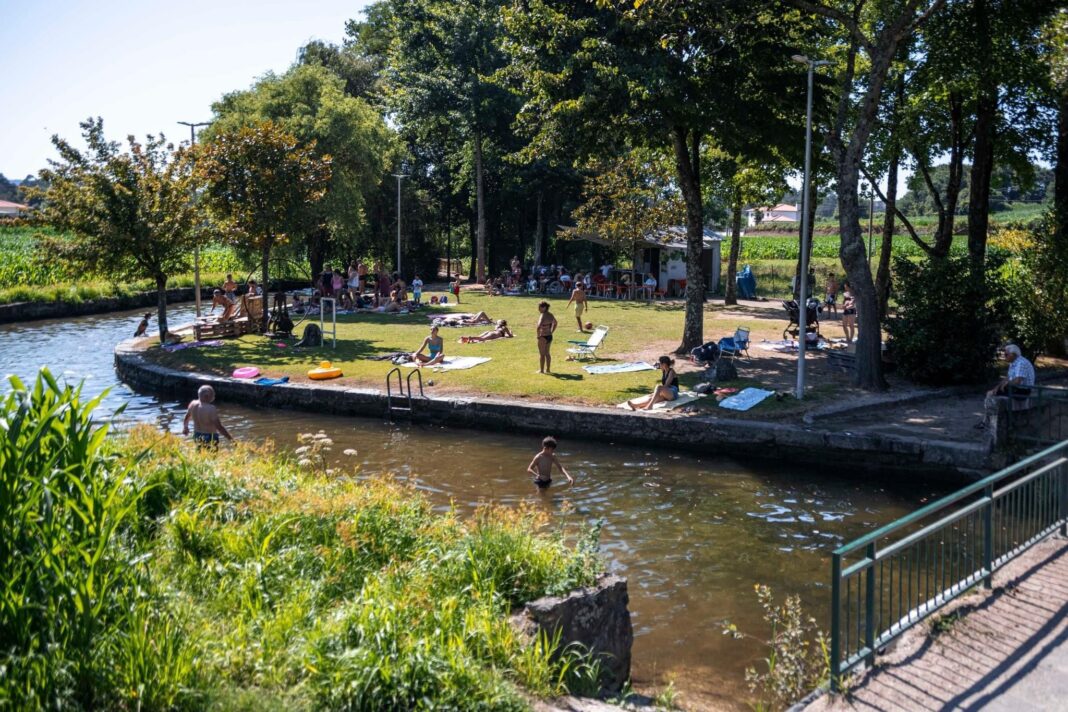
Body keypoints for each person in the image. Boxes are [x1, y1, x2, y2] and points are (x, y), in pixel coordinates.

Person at [535, 300, 558, 374]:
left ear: (544, 307)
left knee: (542, 354)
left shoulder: (543, 315)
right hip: (549, 336)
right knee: (547, 353)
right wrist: (552, 331)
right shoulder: (551, 315)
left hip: (543, 336)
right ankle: (548, 369)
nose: (538, 309)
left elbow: (538, 327)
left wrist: (538, 335)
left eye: (539, 308)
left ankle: (541, 370)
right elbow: (555, 323)